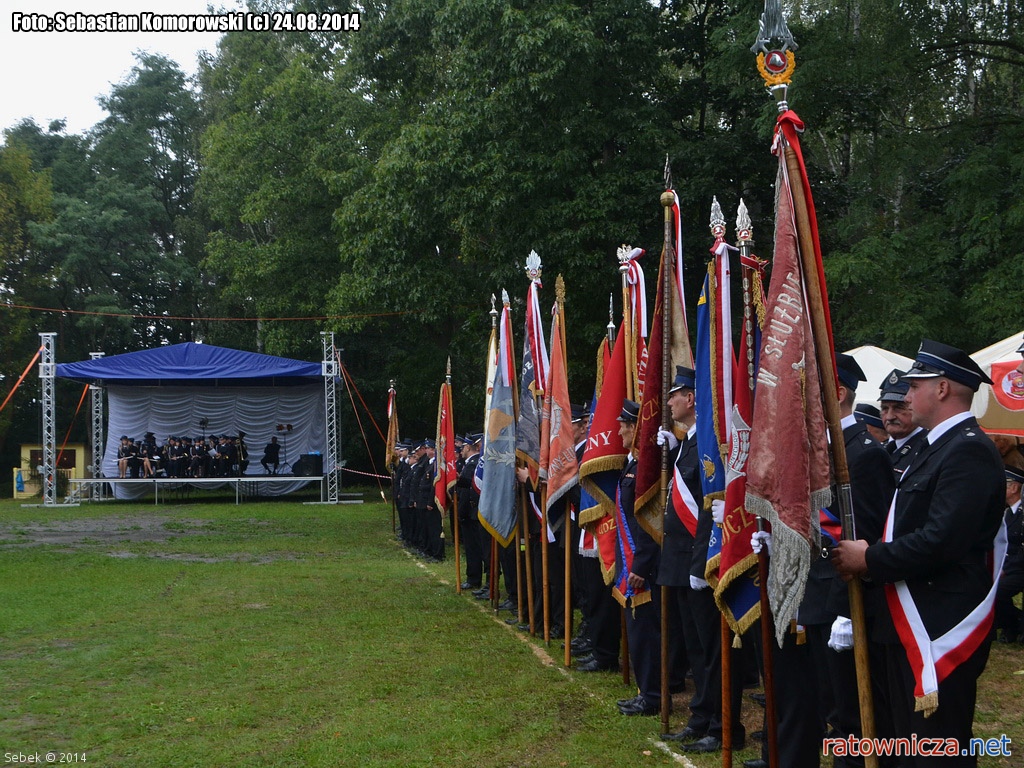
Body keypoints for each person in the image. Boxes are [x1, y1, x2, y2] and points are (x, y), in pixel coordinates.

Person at [832, 340, 1004, 767]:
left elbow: (941, 539)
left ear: (942, 388)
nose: (905, 395)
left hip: (936, 623)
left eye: (915, 385)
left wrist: (869, 559)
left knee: (934, 747)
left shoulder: (967, 449)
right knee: (901, 742)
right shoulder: (932, 447)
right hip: (904, 615)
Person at [612, 398, 663, 717]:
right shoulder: (631, 464)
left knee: (645, 631)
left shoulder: (644, 467)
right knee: (637, 630)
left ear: (634, 428)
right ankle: (646, 690)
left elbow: (647, 520)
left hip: (641, 563)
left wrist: (640, 565)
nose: (618, 431)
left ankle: (653, 694)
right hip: (630, 558)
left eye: (623, 426)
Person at [878, 369, 928, 479]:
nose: (890, 417)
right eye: (885, 409)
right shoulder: (880, 448)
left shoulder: (927, 448)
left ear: (913, 406)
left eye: (899, 408)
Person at [995, 466, 1024, 643]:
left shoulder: (1022, 514)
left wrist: (1005, 569)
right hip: (1007, 567)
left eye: (1003, 484)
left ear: (1014, 488)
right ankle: (1012, 625)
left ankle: (1015, 622)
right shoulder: (1007, 513)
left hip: (1019, 568)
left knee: (997, 592)